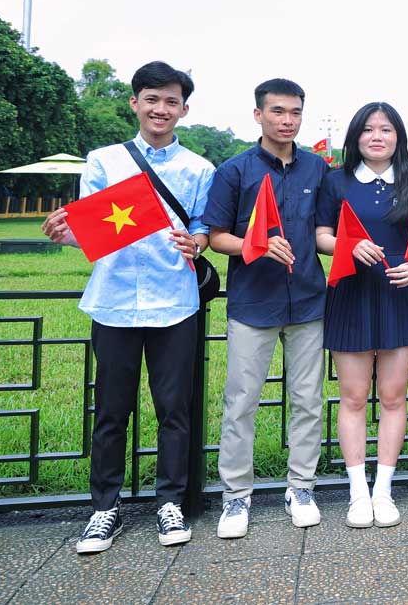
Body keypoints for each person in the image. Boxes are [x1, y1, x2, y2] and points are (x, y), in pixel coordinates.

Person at [42, 61, 214, 554]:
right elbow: (91, 232)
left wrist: (197, 241)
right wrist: (68, 234)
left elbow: (204, 226)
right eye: (152, 99)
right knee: (111, 411)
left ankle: (170, 502)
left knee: (173, 410)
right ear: (135, 103)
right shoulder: (103, 161)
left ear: (184, 109)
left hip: (174, 304)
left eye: (171, 101)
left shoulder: (198, 169)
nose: (161, 109)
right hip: (115, 301)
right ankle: (104, 508)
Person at [202, 78, 329, 539]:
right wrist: (253, 247)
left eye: (295, 112)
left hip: (310, 299)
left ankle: (301, 487)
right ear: (258, 115)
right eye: (278, 111)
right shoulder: (235, 171)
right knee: (240, 402)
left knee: (307, 401)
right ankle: (235, 496)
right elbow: (216, 237)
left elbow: (327, 229)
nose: (287, 120)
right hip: (253, 303)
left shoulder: (318, 169)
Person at [315, 102, 408, 528]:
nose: (376, 136)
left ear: (398, 137)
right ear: (355, 137)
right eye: (367, 130)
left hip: (401, 292)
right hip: (351, 292)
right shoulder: (336, 181)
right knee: (354, 396)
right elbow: (321, 235)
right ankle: (357, 492)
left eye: (385, 129)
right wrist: (345, 246)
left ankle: (384, 489)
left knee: (394, 396)